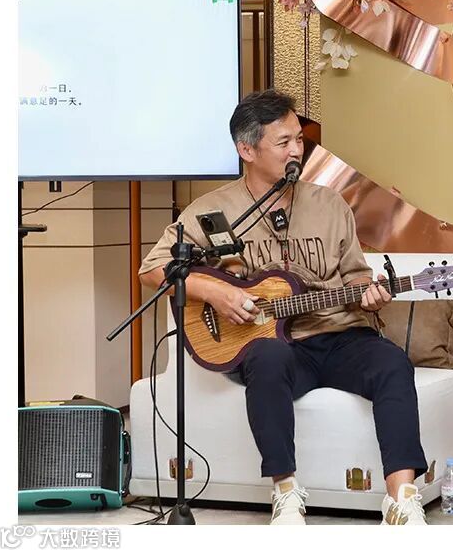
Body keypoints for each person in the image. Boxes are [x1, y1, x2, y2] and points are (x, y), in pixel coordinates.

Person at [139, 89, 429, 525]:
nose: (297, 150)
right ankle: (286, 493)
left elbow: (356, 276)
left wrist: (369, 292)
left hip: (338, 334)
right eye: (284, 142)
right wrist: (216, 293)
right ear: (247, 149)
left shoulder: (329, 204)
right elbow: (152, 269)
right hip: (270, 345)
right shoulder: (213, 210)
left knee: (391, 362)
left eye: (299, 140)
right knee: (269, 358)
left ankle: (402, 498)